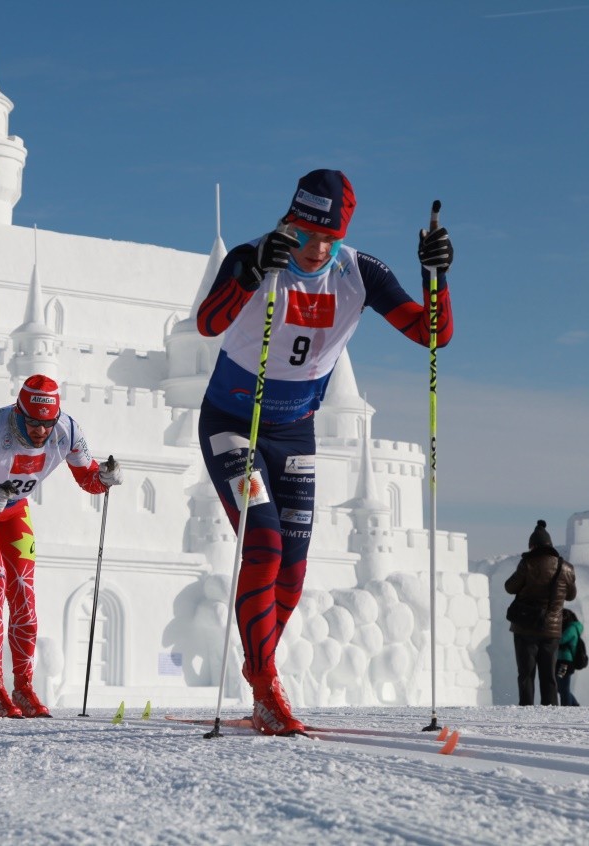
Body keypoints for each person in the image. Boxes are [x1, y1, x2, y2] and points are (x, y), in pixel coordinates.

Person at [195, 169, 455, 735]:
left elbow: (431, 334)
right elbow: (207, 323)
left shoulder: (360, 273)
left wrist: (436, 276)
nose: (315, 248)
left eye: (328, 238)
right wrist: (246, 273)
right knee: (261, 544)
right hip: (234, 422)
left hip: (294, 430)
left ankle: (259, 665)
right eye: (306, 232)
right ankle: (265, 684)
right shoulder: (254, 254)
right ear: (289, 218)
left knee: (293, 568)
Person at [0, 374, 122, 718]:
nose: (40, 431)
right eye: (33, 423)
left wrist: (105, 478)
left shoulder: (66, 430)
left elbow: (88, 478)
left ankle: (23, 689)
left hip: (13, 511)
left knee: (23, 591)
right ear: (18, 412)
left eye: (46, 423)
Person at [504, 520, 576, 706]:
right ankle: (549, 712)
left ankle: (527, 710)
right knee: (549, 675)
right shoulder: (566, 568)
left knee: (526, 674)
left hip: (525, 628)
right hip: (551, 630)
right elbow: (571, 595)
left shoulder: (527, 564)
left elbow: (509, 587)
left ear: (532, 545)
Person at [556, 608, 584, 706]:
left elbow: (561, 640)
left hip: (565, 663)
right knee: (560, 687)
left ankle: (567, 708)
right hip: (564, 662)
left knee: (563, 687)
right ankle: (575, 705)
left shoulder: (571, 628)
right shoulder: (572, 627)